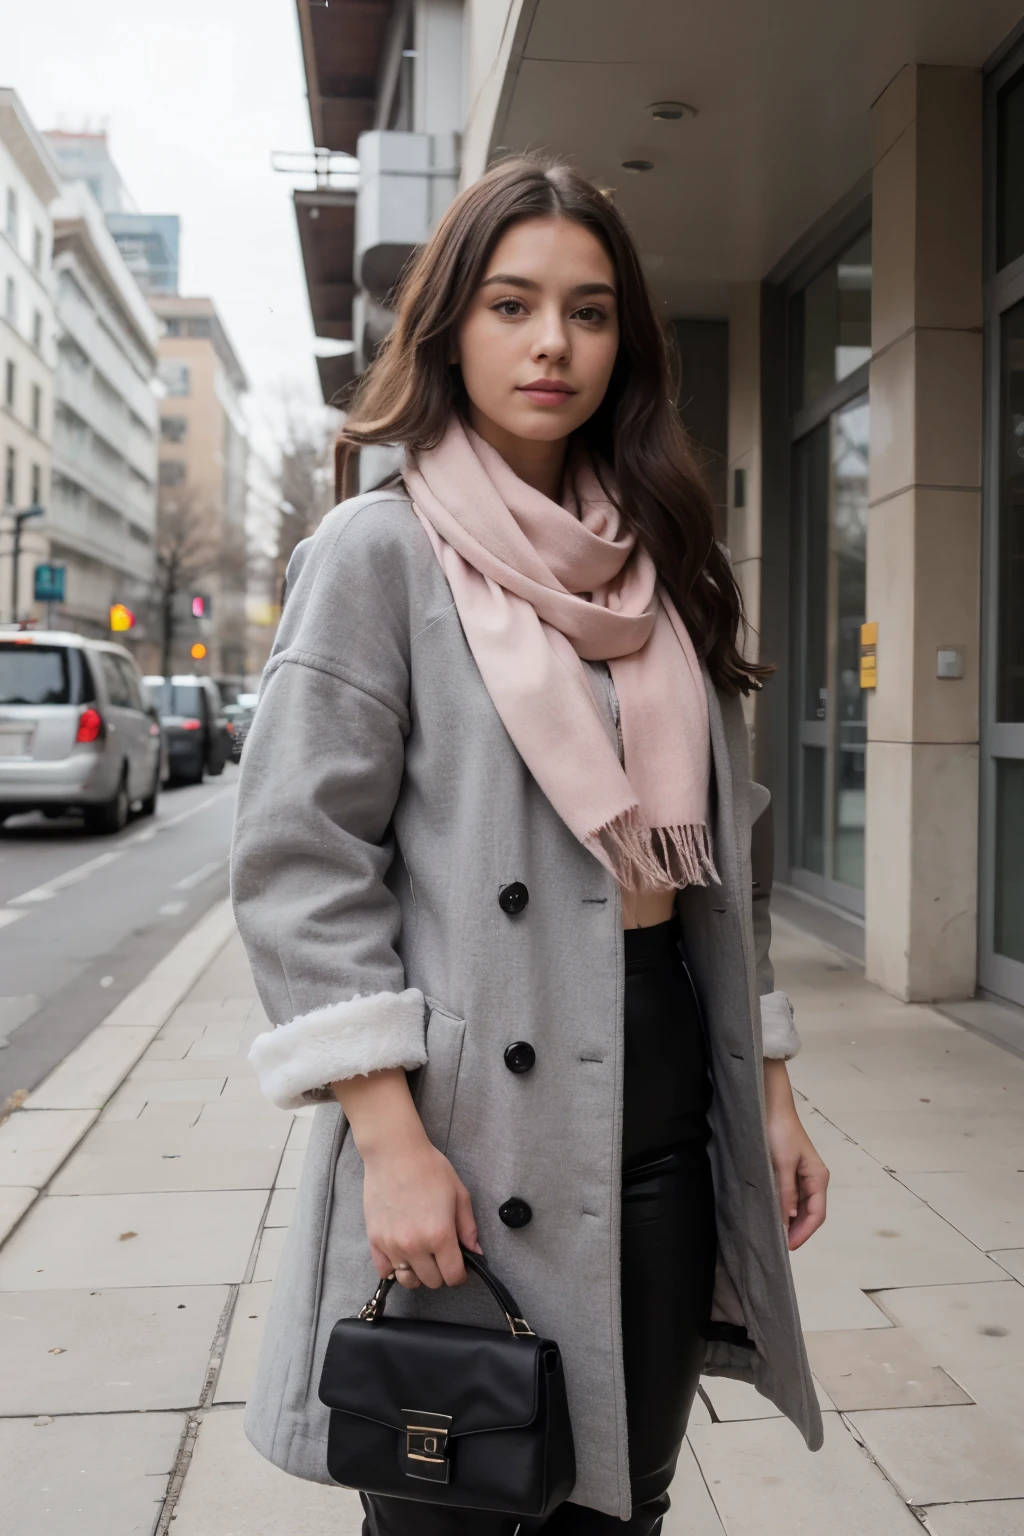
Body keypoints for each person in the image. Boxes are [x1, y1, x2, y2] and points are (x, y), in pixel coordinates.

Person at [231, 156, 829, 1535]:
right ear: (450, 327)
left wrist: (776, 1080)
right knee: (462, 1498)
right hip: (469, 1105)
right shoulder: (377, 552)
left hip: (665, 1082)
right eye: (511, 304)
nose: (552, 343)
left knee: (629, 1495)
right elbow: (296, 858)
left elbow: (718, 849)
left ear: (627, 344)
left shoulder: (657, 561)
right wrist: (386, 1138)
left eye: (589, 309)